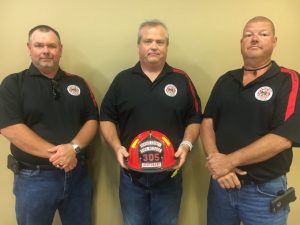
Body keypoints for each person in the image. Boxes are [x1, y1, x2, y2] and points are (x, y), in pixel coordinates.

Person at [99, 19, 202, 225]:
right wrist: (117, 147)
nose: (154, 46)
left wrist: (186, 144)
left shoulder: (182, 80)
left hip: (169, 174)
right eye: (148, 41)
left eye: (160, 42)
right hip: (131, 175)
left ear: (166, 46)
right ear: (139, 45)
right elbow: (106, 117)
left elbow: (195, 117)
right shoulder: (122, 80)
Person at [201, 16, 300, 225]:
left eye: (263, 34)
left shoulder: (288, 80)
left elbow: (285, 136)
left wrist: (228, 162)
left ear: (274, 41)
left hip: (263, 192)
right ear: (241, 43)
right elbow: (208, 121)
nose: (254, 39)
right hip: (222, 186)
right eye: (248, 34)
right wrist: (216, 161)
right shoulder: (226, 80)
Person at [0, 25, 99, 225]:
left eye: (51, 46)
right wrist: (60, 156)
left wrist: (73, 149)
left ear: (60, 49)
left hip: (77, 176)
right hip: (33, 179)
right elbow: (10, 127)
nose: (46, 50)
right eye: (39, 45)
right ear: (29, 48)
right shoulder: (13, 84)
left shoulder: (78, 83)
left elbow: (92, 120)